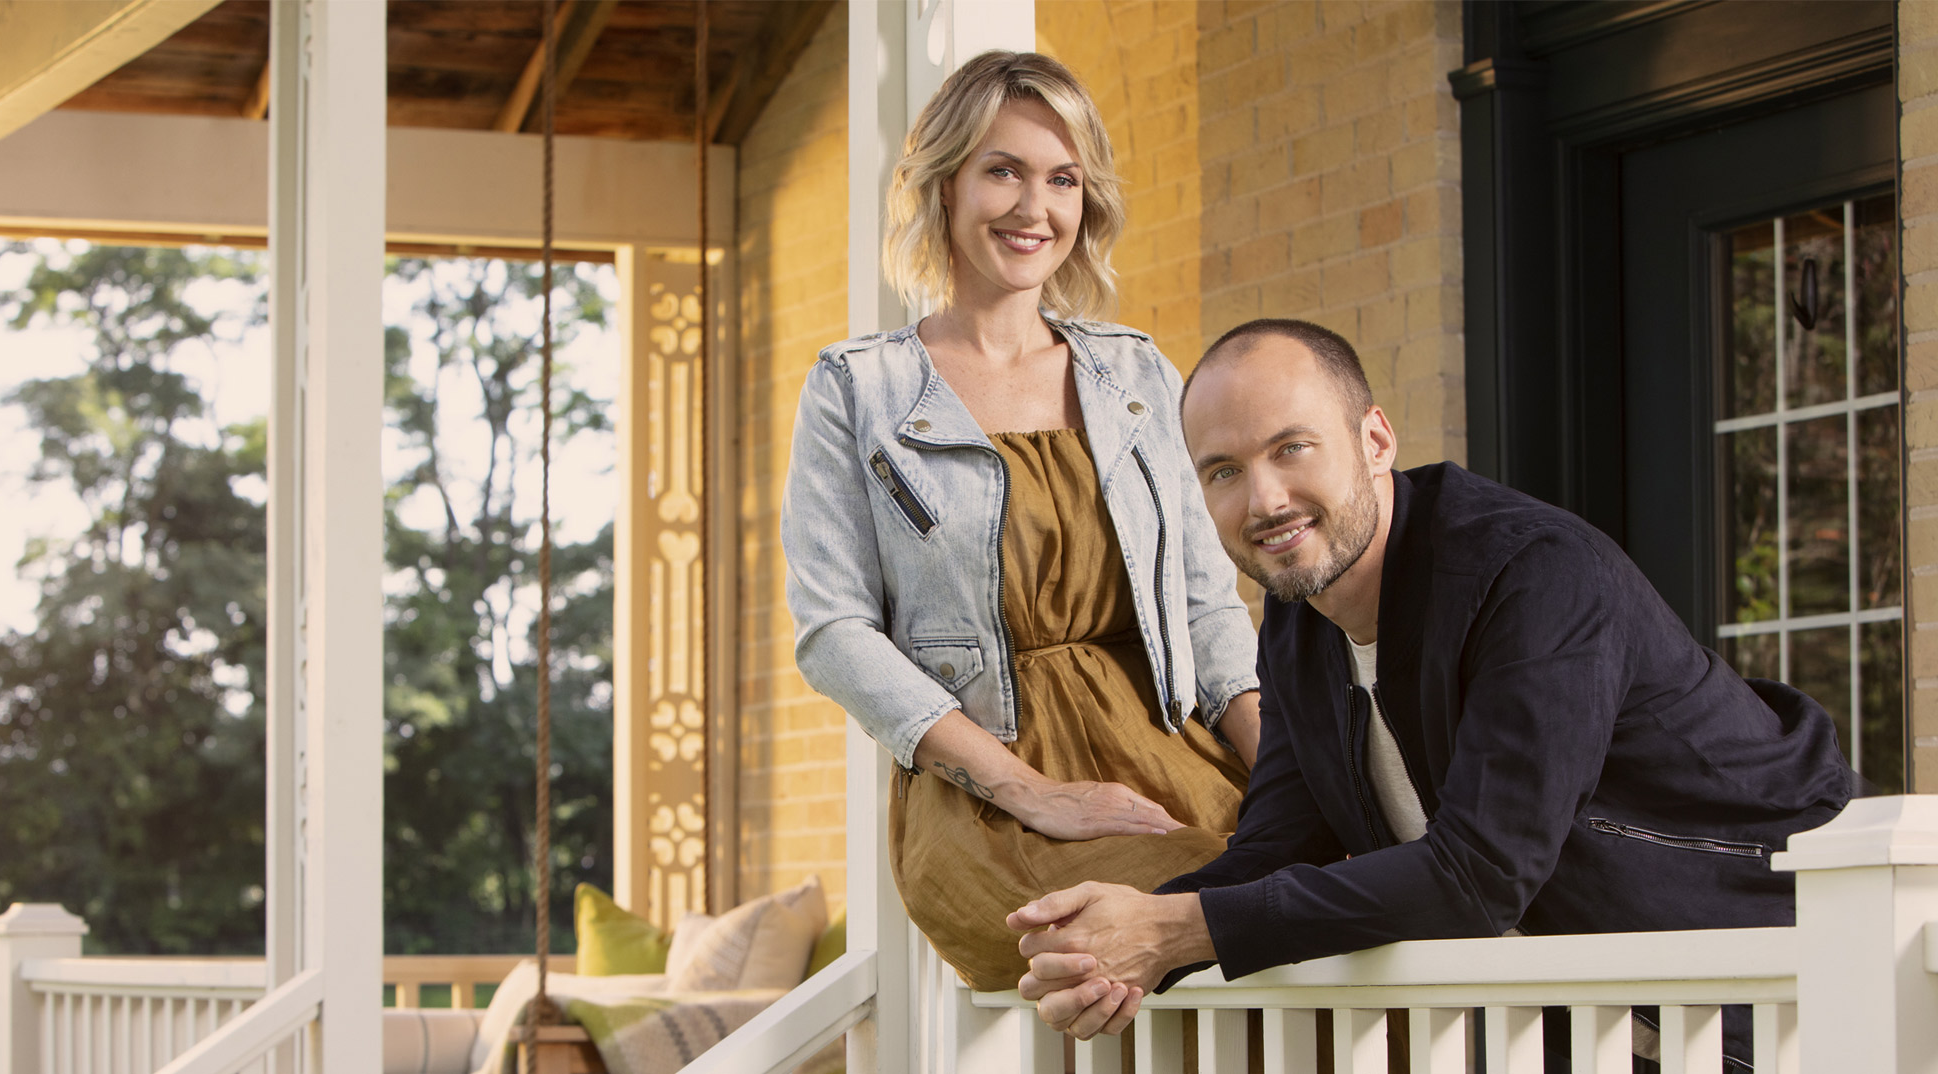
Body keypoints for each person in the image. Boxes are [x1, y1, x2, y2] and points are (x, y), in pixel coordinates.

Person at [1009, 319, 1853, 1066]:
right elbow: (1272, 848)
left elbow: (1482, 872)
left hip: (1789, 1001)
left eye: (1291, 448)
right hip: (1579, 1021)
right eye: (1224, 471)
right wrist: (1115, 940)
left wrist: (1181, 932)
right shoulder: (1302, 622)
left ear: (1376, 439)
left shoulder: (1532, 575)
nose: (1263, 499)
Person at [781, 52, 1264, 991]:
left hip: (1172, 758)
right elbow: (835, 632)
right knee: (1170, 924)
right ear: (946, 183)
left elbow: (1208, 606)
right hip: (990, 797)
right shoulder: (858, 389)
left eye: (1063, 179)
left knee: (1327, 900)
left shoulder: (1138, 375)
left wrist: (1289, 776)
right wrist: (1034, 792)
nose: (1032, 208)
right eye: (1002, 170)